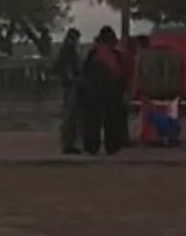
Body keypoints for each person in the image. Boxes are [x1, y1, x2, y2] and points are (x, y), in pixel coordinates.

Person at [79, 25, 130, 155]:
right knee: (112, 121)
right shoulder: (115, 55)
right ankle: (112, 145)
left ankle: (91, 146)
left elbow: (84, 73)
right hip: (112, 93)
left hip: (92, 92)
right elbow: (121, 73)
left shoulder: (92, 53)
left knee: (92, 121)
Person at [52, 28, 85, 154]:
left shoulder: (64, 50)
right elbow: (69, 69)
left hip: (68, 85)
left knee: (70, 115)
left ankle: (68, 142)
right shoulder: (69, 51)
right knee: (71, 115)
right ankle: (68, 143)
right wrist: (74, 80)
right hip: (71, 86)